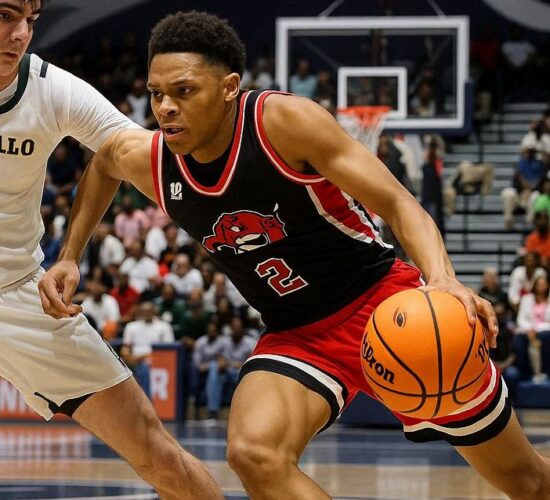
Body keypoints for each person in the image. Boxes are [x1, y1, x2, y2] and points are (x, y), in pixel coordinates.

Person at [40, 10, 550, 499]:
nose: (165, 107)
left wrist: (442, 279)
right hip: (297, 335)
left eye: (184, 91)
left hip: (385, 308)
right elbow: (104, 162)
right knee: (253, 453)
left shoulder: (282, 123)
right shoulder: (154, 161)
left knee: (527, 483)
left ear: (229, 87)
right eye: (156, 94)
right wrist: (69, 256)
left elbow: (398, 202)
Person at [0, 2, 222, 498]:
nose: (20, 34)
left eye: (30, 20)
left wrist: (232, 195)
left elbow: (132, 151)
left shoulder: (50, 89)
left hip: (17, 293)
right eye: (4, 15)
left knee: (157, 455)